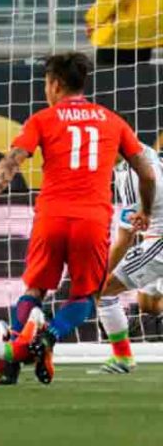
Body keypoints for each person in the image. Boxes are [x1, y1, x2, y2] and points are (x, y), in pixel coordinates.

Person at [0, 52, 156, 385]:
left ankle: (14, 357)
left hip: (51, 216)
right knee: (86, 296)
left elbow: (10, 163)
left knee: (35, 289)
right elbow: (147, 174)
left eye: (45, 83)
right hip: (92, 221)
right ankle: (49, 337)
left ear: (55, 84)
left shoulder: (44, 119)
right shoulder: (112, 120)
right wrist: (146, 208)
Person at [95, 143, 163, 374]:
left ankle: (122, 358)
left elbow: (124, 240)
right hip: (154, 236)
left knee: (104, 289)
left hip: (159, 241)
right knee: (149, 304)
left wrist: (99, 275)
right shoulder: (140, 153)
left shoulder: (134, 178)